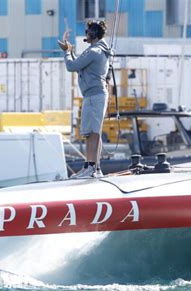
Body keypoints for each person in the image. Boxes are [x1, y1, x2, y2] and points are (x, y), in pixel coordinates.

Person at [58, 20, 112, 178]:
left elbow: (72, 66)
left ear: (93, 34)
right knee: (94, 131)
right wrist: (71, 51)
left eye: (88, 32)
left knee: (92, 133)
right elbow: (79, 65)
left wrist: (67, 52)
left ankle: (90, 167)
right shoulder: (96, 50)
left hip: (94, 96)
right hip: (95, 95)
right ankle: (95, 167)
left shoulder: (94, 51)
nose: (86, 34)